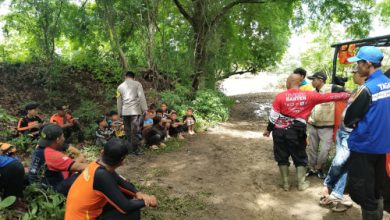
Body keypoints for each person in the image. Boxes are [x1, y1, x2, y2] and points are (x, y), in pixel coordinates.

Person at [263, 74, 350, 191]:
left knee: (282, 157)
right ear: (299, 83)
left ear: (289, 83)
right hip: (296, 132)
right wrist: (347, 95)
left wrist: (268, 130)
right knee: (300, 157)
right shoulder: (310, 95)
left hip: (279, 131)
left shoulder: (280, 96)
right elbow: (330, 97)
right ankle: (301, 183)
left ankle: (286, 184)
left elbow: (273, 117)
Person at [345, 46, 390, 219]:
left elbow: (348, 120)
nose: (357, 67)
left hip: (364, 148)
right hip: (383, 147)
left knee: (364, 194)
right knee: (376, 190)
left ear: (368, 64)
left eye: (359, 63)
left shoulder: (367, 89)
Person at [65, 138, 157, 220]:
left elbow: (119, 180)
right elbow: (126, 207)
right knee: (132, 212)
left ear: (102, 153)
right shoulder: (102, 176)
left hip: (78, 214)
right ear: (123, 162)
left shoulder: (96, 164)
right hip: (84, 217)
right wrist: (147, 201)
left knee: (127, 195)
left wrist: (138, 193)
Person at [319, 69, 367, 212]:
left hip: (351, 134)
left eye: (355, 73)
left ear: (362, 75)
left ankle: (328, 185)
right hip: (343, 131)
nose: (353, 75)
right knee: (344, 164)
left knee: (340, 161)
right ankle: (336, 194)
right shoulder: (357, 90)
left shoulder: (367, 91)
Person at [28, 124, 88, 195]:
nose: (64, 138)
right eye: (62, 136)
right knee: (84, 173)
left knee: (70, 168)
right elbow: (81, 167)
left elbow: (68, 161)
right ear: (57, 139)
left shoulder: (40, 147)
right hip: (50, 190)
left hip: (38, 184)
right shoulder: (52, 154)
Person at [306, 72, 346, 179]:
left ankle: (320, 168)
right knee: (311, 148)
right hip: (313, 125)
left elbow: (346, 92)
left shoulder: (331, 88)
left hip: (327, 127)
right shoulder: (312, 92)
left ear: (320, 80)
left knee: (324, 150)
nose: (312, 81)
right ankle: (311, 168)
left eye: (313, 79)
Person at [117, 71, 148, 156]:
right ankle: (136, 150)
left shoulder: (119, 87)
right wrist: (144, 109)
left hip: (125, 112)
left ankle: (130, 150)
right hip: (134, 111)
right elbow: (141, 97)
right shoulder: (137, 84)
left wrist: (119, 112)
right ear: (133, 77)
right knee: (134, 131)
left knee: (127, 131)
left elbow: (119, 101)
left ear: (125, 77)